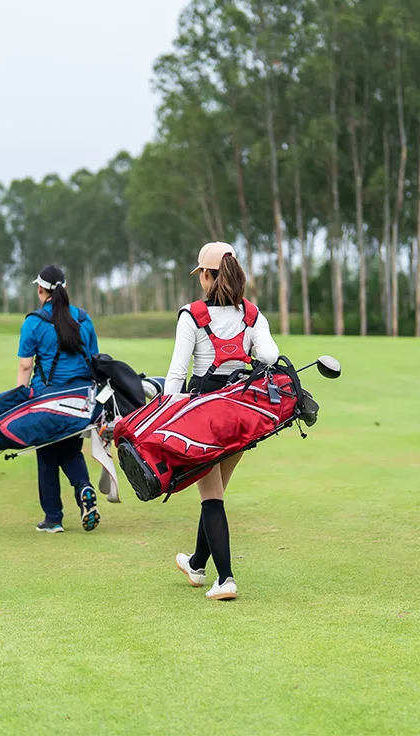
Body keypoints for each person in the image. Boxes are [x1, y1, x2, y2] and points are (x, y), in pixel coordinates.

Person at [165, 242, 279, 600]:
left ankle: (226, 578)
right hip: (241, 415)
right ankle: (197, 564)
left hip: (203, 417)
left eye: (202, 273)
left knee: (211, 497)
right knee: (214, 491)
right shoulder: (252, 315)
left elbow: (176, 374)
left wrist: (167, 415)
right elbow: (270, 355)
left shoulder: (191, 315)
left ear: (208, 275)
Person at [16, 265, 100, 534]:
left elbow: (26, 367)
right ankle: (84, 487)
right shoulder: (84, 319)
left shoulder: (34, 322)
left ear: (41, 290)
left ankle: (53, 518)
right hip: (80, 399)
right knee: (71, 451)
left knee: (48, 455)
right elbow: (96, 361)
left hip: (47, 399)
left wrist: (20, 397)